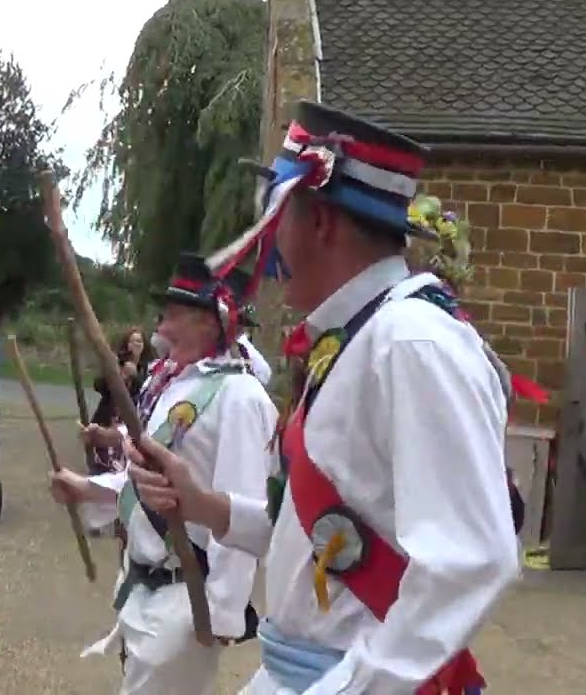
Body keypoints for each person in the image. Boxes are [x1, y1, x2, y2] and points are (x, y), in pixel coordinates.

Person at [128, 101, 520, 694]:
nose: (267, 244)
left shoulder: (411, 342)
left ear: (320, 224)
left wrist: (350, 688)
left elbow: (468, 561)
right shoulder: (362, 337)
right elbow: (324, 533)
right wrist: (201, 503)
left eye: (274, 217)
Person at [48, 252, 277, 695]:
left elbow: (245, 505)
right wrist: (85, 488)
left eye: (174, 315)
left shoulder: (240, 397)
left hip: (188, 599)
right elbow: (147, 484)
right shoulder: (171, 383)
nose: (162, 327)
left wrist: (223, 613)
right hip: (144, 587)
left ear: (211, 322)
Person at [89, 327, 153, 475]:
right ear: (127, 344)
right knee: (101, 460)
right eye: (133, 341)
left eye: (139, 341)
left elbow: (147, 393)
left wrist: (136, 377)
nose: (136, 345)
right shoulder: (117, 363)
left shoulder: (149, 368)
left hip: (130, 423)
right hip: (108, 417)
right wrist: (119, 376)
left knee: (124, 461)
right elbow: (98, 385)